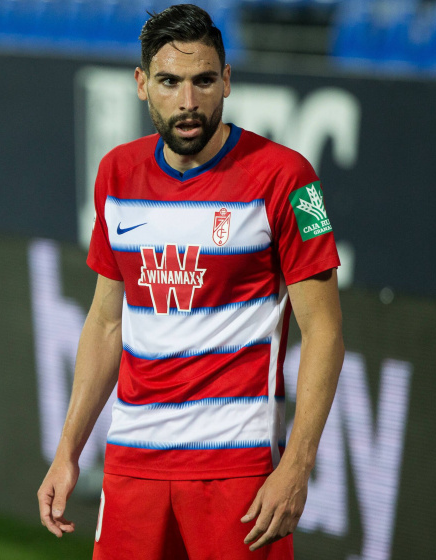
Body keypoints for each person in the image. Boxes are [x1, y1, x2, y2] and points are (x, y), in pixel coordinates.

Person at [36, 4, 344, 559]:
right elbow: (107, 322)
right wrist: (67, 450)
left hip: (237, 471)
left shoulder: (289, 178)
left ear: (226, 81)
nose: (187, 101)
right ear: (141, 84)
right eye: (169, 82)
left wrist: (297, 466)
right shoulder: (117, 173)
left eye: (203, 80)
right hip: (132, 465)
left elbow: (324, 332)